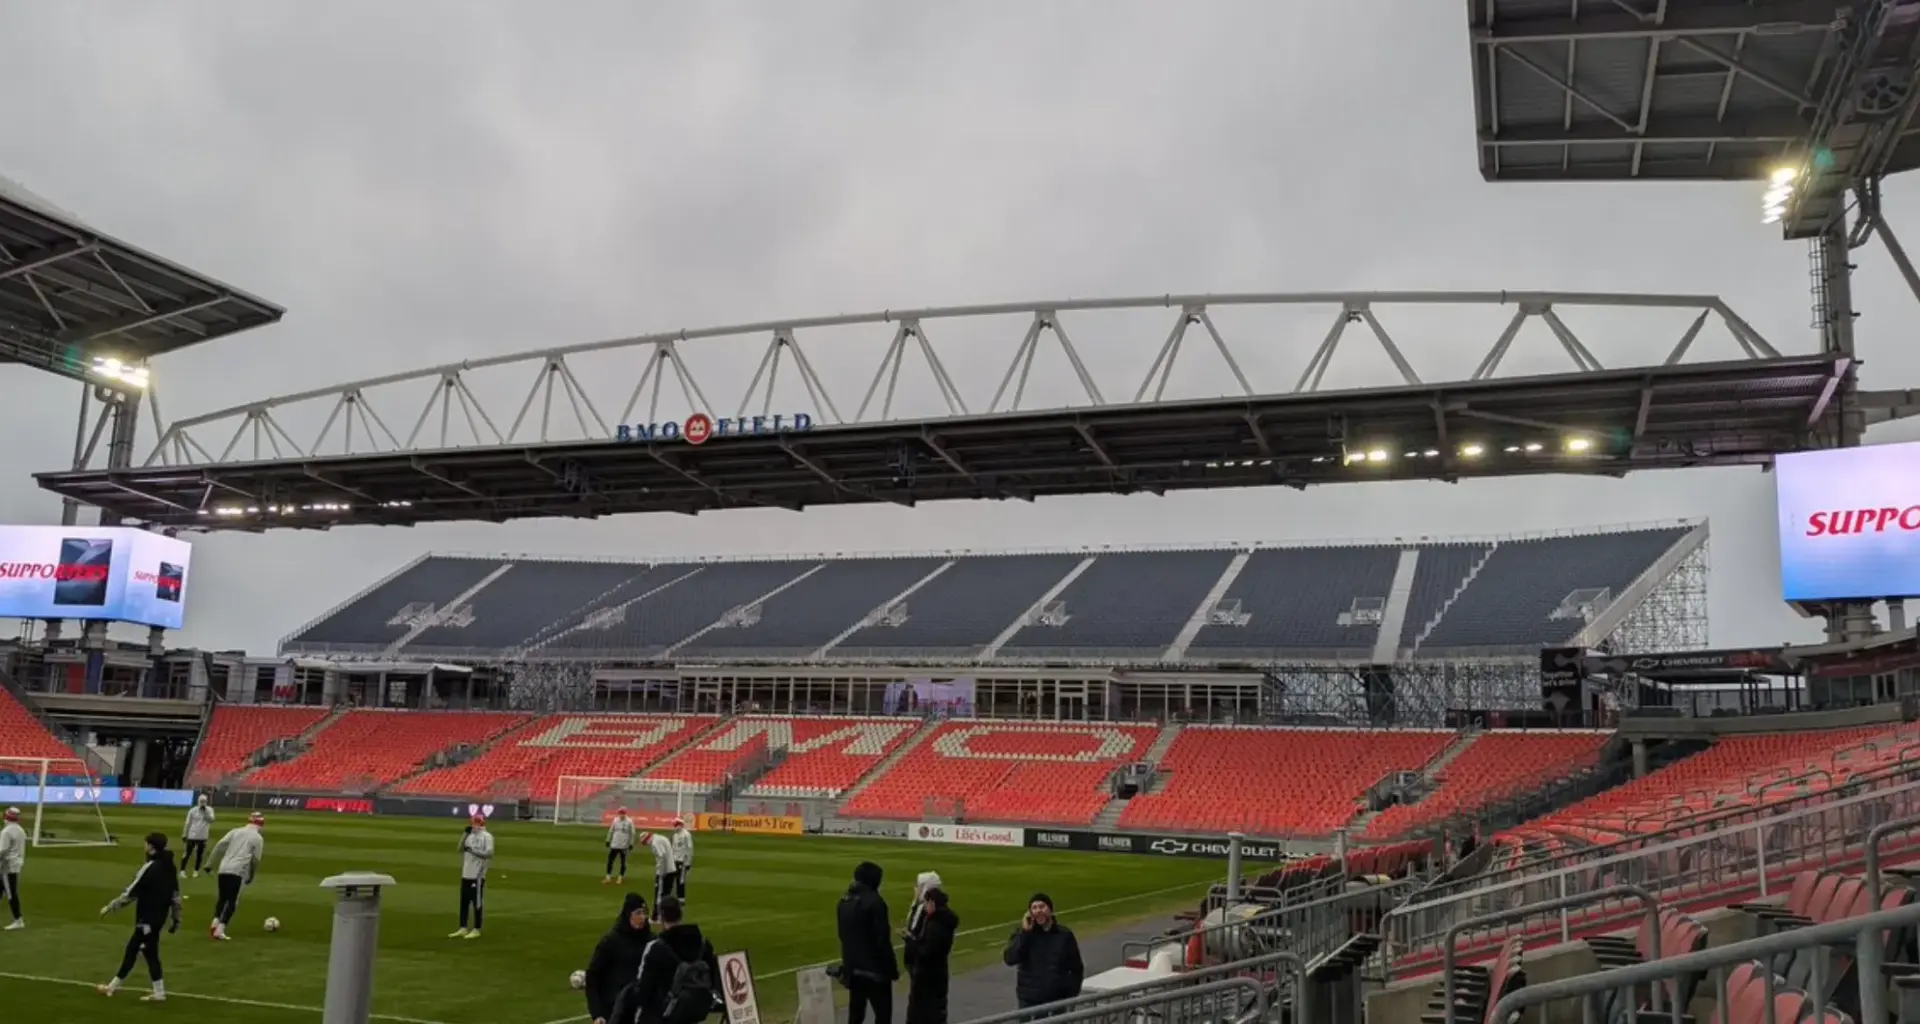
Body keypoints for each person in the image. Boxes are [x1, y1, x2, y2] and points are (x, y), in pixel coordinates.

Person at [96, 832, 181, 1002]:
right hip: (158, 918)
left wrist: (111, 907)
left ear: (150, 847)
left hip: (147, 918)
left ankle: (116, 988)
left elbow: (132, 892)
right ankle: (119, 987)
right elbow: (175, 896)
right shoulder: (169, 867)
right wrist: (176, 918)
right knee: (143, 951)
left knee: (139, 951)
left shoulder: (151, 867)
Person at [612, 895, 718, 1024]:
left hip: (663, 1016)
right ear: (681, 914)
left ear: (661, 917)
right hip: (696, 1013)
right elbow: (713, 980)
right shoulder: (703, 944)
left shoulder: (656, 948)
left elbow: (642, 992)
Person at [837, 860, 898, 1024]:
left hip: (854, 969)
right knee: (883, 1016)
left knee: (855, 1015)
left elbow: (843, 936)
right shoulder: (876, 903)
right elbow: (882, 940)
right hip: (875, 971)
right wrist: (891, 969)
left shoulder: (844, 901)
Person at [1003, 894, 1083, 1013]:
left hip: (1057, 1001)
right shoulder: (1022, 934)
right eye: (1034, 908)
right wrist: (1025, 934)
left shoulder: (1064, 935)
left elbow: (1076, 967)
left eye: (1042, 907)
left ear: (1050, 910)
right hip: (1029, 1002)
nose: (1038, 911)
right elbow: (1010, 958)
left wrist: (1070, 994)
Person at [584, 893, 652, 1024]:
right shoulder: (611, 942)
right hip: (615, 1012)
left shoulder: (651, 942)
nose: (642, 917)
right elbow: (593, 976)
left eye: (644, 913)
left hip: (643, 1013)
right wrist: (597, 1014)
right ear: (628, 915)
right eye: (637, 913)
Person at [206, 811, 265, 941]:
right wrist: (251, 875)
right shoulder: (258, 838)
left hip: (223, 868)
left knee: (222, 898)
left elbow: (220, 845)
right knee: (232, 901)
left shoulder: (235, 831)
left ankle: (215, 923)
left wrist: (209, 863)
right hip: (238, 871)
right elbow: (255, 860)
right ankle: (220, 929)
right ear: (261, 824)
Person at [905, 887, 957, 1024]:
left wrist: (912, 943)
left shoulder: (935, 924)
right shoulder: (944, 921)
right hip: (938, 974)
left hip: (927, 976)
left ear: (932, 903)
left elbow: (928, 952)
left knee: (922, 1012)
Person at [451, 813, 494, 938]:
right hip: (466, 873)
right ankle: (463, 927)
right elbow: (459, 849)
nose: (474, 824)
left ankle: (476, 928)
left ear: (482, 823)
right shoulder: (469, 836)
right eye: (473, 822)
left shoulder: (487, 836)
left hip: (478, 875)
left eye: (477, 822)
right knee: (464, 902)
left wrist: (472, 851)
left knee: (477, 902)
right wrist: (464, 834)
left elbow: (489, 853)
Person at [903, 871, 943, 971]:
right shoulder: (922, 906)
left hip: (921, 962)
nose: (916, 888)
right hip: (918, 959)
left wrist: (909, 938)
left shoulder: (928, 909)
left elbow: (916, 930)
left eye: (919, 885)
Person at [639, 829, 676, 910]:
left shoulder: (655, 843)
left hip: (665, 872)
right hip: (670, 869)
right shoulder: (660, 838)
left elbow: (661, 856)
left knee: (660, 894)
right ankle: (664, 914)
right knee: (666, 894)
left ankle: (657, 915)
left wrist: (661, 872)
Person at [0, 806, 24, 930]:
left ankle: (18, 919)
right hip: (16, 863)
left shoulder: (6, 832)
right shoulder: (20, 830)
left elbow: (2, 850)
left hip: (7, 866)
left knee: (10, 893)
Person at [181, 795, 215, 878]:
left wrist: (205, 812)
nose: (203, 803)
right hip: (192, 835)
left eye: (204, 801)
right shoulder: (193, 810)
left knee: (199, 854)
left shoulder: (209, 810)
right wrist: (185, 834)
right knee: (187, 853)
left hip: (203, 836)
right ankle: (182, 871)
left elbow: (211, 820)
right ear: (198, 801)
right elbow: (187, 823)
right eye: (201, 801)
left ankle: (196, 871)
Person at [605, 809, 636, 885]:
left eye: (623, 813)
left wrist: (631, 843)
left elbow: (633, 833)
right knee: (610, 861)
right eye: (620, 813)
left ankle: (620, 877)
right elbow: (611, 830)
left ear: (625, 813)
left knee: (623, 862)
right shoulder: (615, 820)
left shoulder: (629, 821)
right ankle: (608, 877)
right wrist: (608, 840)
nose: (621, 815)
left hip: (624, 846)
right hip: (614, 844)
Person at [670, 818, 694, 900]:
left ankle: (681, 898)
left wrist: (688, 863)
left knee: (680, 880)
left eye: (676, 825)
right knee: (674, 878)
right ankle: (676, 895)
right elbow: (673, 848)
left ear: (680, 825)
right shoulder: (675, 835)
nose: (674, 827)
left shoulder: (686, 835)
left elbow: (689, 849)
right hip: (675, 860)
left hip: (682, 861)